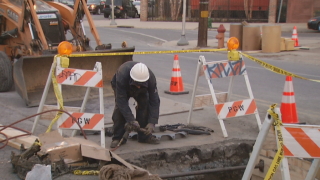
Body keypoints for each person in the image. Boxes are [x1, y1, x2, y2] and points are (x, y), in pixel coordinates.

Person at [110, 61, 160, 148]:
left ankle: (144, 137)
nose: (138, 87)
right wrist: (131, 120)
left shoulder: (151, 78)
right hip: (123, 86)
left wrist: (152, 122)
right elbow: (121, 102)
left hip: (142, 91)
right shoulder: (122, 75)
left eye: (141, 84)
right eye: (137, 84)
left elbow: (154, 101)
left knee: (145, 105)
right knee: (120, 109)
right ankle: (118, 137)